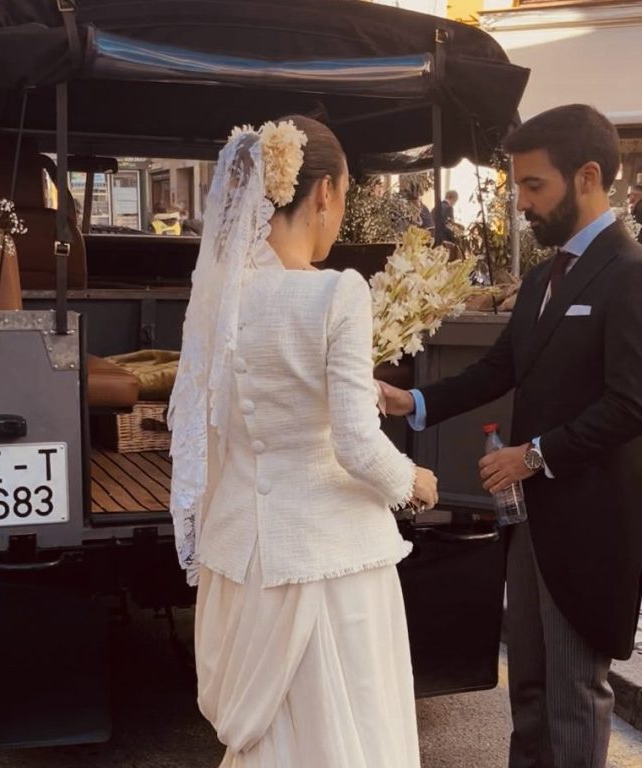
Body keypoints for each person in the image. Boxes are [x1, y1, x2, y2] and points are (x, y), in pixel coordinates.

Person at [168, 115, 438, 767]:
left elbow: (208, 426)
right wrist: (413, 482)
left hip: (241, 554)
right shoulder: (337, 293)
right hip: (328, 558)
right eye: (343, 195)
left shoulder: (219, 301)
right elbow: (355, 443)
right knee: (346, 733)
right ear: (324, 192)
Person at [379, 104, 642, 768]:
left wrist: (535, 455)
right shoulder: (545, 277)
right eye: (518, 185)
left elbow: (631, 403)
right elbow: (500, 368)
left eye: (534, 185)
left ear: (588, 177)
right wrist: (412, 401)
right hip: (530, 523)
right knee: (527, 686)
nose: (521, 203)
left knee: (573, 695)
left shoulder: (630, 271)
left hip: (590, 527)